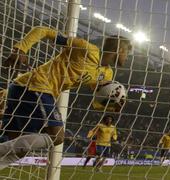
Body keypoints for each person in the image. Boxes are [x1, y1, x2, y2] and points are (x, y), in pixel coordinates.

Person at [0, 26, 131, 169]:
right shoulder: (87, 49)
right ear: (120, 50)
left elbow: (98, 99)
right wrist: (20, 49)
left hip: (27, 89)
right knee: (57, 137)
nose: (126, 58)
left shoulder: (107, 74)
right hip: (37, 85)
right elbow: (42, 30)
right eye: (127, 54)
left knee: (16, 145)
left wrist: (112, 106)